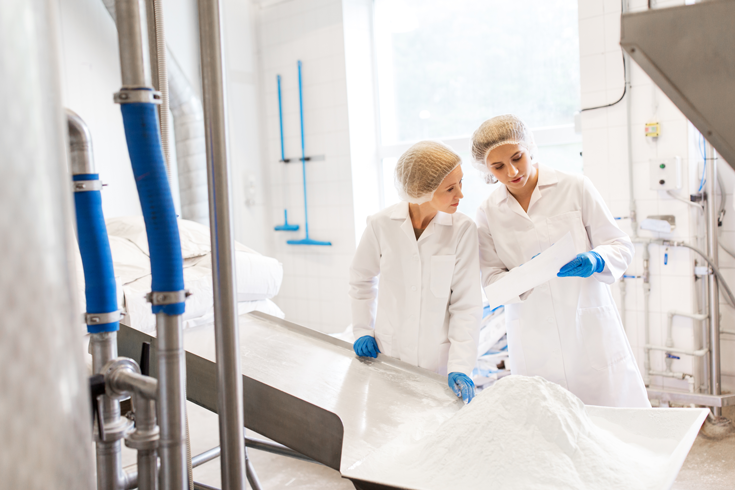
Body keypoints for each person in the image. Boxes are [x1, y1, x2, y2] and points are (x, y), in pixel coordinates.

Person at [472, 114, 649, 408]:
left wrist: (597, 259)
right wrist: (525, 276)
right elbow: (491, 281)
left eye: (517, 158)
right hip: (533, 336)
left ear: (530, 148)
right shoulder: (488, 212)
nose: (512, 171)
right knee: (547, 420)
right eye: (498, 166)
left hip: (586, 326)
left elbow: (619, 245)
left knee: (610, 417)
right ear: (486, 169)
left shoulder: (574, 187)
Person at [349, 141, 482, 403]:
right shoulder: (381, 224)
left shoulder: (463, 229)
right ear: (423, 190)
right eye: (450, 188)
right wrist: (362, 330)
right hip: (388, 354)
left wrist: (460, 365)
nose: (460, 194)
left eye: (461, 183)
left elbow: (466, 304)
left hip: (439, 364)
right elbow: (361, 279)